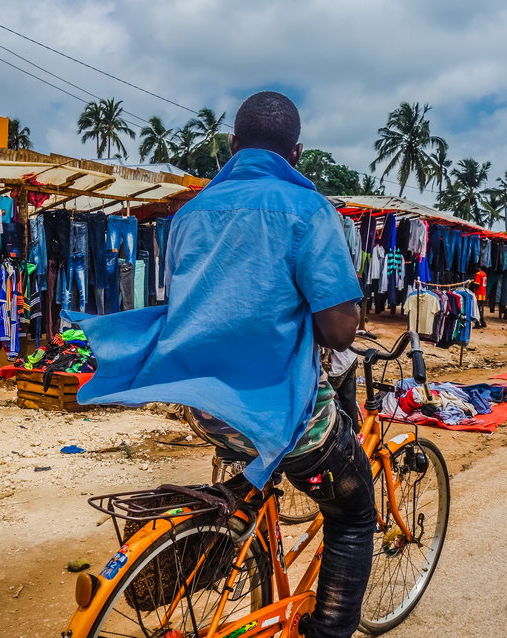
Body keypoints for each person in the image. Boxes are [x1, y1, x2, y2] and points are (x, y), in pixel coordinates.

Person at [65, 91, 373, 638]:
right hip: (281, 410)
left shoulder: (189, 214)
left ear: (231, 146)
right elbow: (337, 331)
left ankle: (232, 552)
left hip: (206, 408)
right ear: (297, 154)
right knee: (352, 515)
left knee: (250, 492)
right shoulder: (308, 209)